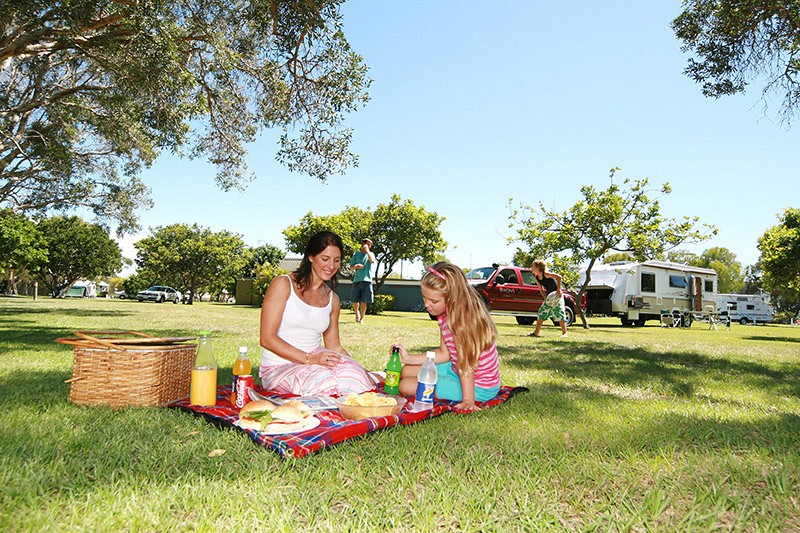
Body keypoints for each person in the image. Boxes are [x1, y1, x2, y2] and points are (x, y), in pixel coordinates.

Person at [258, 231, 375, 396]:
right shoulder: (283, 284)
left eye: (336, 260)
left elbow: (334, 346)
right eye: (325, 259)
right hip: (280, 366)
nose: (331, 266)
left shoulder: (332, 298)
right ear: (311, 257)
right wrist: (309, 359)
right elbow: (267, 338)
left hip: (316, 360)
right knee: (323, 381)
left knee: (355, 378)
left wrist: (359, 368)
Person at [394, 262, 501, 411]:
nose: (427, 304)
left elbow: (467, 365)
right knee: (406, 370)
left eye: (434, 301)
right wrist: (408, 358)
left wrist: (468, 401)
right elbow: (444, 354)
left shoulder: (463, 323)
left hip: (479, 385)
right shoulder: (445, 316)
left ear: (452, 297)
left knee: (406, 385)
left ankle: (462, 393)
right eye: (424, 298)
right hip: (456, 369)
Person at [528, 259, 568, 338]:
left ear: (538, 267)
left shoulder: (546, 274)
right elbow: (541, 290)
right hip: (550, 297)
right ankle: (536, 333)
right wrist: (545, 297)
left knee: (559, 313)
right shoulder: (536, 277)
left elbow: (559, 277)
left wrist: (559, 290)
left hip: (557, 296)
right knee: (541, 313)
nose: (531, 267)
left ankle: (564, 333)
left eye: (533, 266)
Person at [348, 237, 376, 324]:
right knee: (355, 300)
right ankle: (357, 314)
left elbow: (372, 261)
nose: (369, 246)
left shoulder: (370, 254)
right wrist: (356, 266)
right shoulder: (356, 255)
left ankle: (362, 319)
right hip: (357, 280)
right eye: (367, 244)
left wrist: (367, 251)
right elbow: (350, 268)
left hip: (367, 281)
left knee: (364, 301)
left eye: (370, 245)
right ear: (362, 244)